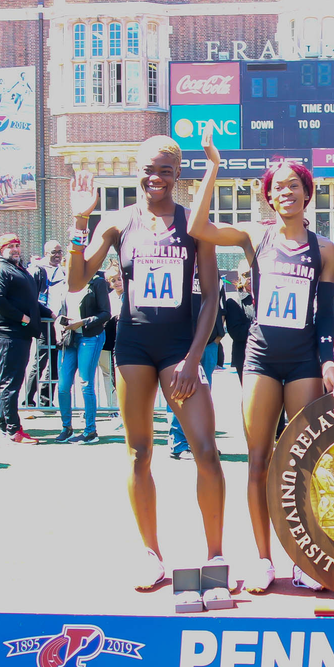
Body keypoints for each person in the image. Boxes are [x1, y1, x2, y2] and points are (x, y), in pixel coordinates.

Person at [68, 135, 226, 592]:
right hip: (133, 347)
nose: (156, 178)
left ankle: (215, 555)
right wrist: (81, 217)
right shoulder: (117, 222)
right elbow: (79, 280)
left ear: (178, 176)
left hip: (181, 347)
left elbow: (213, 294)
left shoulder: (194, 224)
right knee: (139, 452)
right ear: (137, 169)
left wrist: (194, 358)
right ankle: (151, 554)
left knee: (206, 450)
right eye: (149, 170)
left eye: (166, 171)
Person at [189, 128, 334, 594]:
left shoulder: (325, 249)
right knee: (259, 459)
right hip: (259, 357)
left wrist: (329, 360)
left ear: (307, 193)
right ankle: (263, 558)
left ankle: (304, 556)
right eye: (277, 188)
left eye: (294, 186)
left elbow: (326, 314)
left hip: (302, 362)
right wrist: (213, 167)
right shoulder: (256, 236)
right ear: (268, 197)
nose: (286, 193)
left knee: (304, 460)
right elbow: (198, 228)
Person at [0, 234, 44, 444]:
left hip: (20, 333)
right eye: (10, 246)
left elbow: (29, 299)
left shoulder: (17, 268)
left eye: (18, 245)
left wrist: (50, 313)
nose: (16, 249)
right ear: (1, 249)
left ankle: (4, 425)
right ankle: (13, 429)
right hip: (8, 334)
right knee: (10, 383)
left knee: (12, 381)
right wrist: (23, 318)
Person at [166, 270, 225, 459]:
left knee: (204, 395)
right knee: (179, 392)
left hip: (208, 343)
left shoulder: (212, 272)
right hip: (180, 342)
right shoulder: (179, 265)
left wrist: (218, 335)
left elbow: (219, 305)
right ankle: (179, 443)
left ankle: (203, 444)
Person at [53, 265, 111, 444]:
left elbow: (105, 313)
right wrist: (58, 324)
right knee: (63, 384)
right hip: (70, 338)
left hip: (90, 336)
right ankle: (66, 427)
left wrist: (83, 322)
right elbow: (61, 312)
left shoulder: (97, 283)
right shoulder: (65, 284)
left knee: (85, 382)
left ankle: (90, 430)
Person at [25, 241, 66, 409]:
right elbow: (31, 299)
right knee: (40, 359)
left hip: (58, 321)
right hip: (44, 320)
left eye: (59, 252)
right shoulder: (37, 270)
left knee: (55, 361)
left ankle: (46, 399)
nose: (57, 255)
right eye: (53, 252)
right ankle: (28, 400)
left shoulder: (63, 271)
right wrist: (49, 314)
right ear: (46, 253)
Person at [222, 263, 255, 382]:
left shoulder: (268, 297)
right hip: (244, 357)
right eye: (246, 274)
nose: (250, 277)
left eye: (253, 272)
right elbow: (237, 333)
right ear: (240, 277)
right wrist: (260, 326)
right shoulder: (233, 301)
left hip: (271, 357)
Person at [99, 264, 122, 410]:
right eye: (113, 280)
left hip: (123, 343)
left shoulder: (133, 296)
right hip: (107, 341)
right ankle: (112, 407)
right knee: (107, 375)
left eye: (119, 279)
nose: (117, 282)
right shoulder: (107, 298)